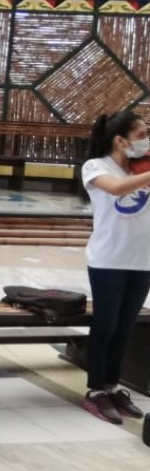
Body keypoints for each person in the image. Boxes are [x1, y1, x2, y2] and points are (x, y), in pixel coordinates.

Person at [77, 111, 150, 424]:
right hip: (108, 259)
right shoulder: (96, 166)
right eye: (142, 134)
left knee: (125, 327)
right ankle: (95, 391)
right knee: (105, 325)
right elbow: (118, 189)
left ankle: (113, 386)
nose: (147, 140)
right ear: (120, 140)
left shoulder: (141, 167)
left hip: (143, 259)